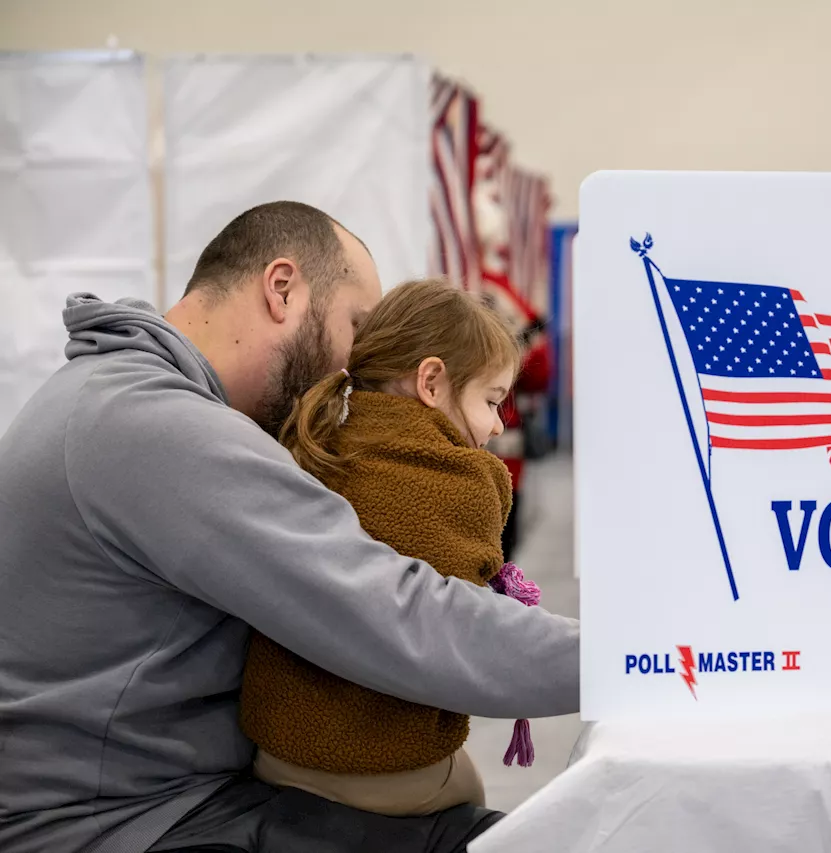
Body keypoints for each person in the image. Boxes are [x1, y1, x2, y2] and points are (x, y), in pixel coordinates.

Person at [0, 202, 580, 853]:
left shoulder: (105, 393)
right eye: (355, 327)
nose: (354, 364)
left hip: (156, 798)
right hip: (122, 824)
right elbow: (395, 613)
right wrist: (624, 661)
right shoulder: (154, 426)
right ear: (282, 290)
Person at [238, 279, 538, 817]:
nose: (497, 425)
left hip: (274, 753)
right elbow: (463, 642)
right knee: (474, 796)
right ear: (430, 381)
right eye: (492, 401)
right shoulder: (465, 481)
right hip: (386, 771)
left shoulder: (310, 446)